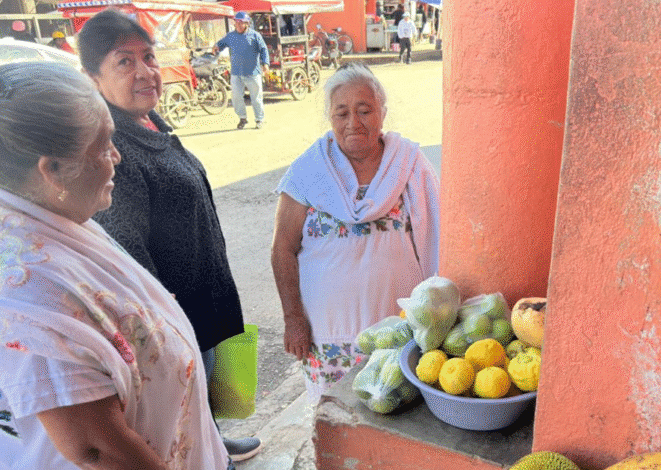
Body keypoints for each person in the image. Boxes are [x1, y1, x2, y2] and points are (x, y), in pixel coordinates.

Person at [0, 61, 233, 469]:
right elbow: (97, 450)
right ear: (51, 170)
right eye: (104, 144)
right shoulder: (28, 290)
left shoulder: (58, 222)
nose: (117, 156)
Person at [77, 9, 261, 462]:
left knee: (207, 388)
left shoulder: (150, 121)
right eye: (124, 62)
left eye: (149, 57)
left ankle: (214, 439)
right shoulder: (112, 145)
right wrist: (165, 323)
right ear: (92, 77)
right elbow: (128, 249)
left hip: (199, 300)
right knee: (183, 408)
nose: (145, 72)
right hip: (172, 314)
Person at [271, 63, 440, 402]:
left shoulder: (408, 163)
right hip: (326, 330)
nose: (353, 123)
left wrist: (436, 316)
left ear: (383, 112)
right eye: (342, 112)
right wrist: (293, 319)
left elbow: (438, 236)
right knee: (336, 413)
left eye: (365, 110)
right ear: (330, 117)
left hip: (397, 321)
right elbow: (282, 249)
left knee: (395, 404)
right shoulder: (308, 170)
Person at [213, 11, 270, 130]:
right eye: (236, 22)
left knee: (256, 98)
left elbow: (264, 49)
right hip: (236, 73)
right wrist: (216, 46)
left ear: (247, 24)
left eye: (241, 23)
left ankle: (260, 119)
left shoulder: (255, 36)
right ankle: (242, 118)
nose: (238, 25)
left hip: (253, 73)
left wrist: (265, 64)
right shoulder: (231, 36)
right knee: (236, 97)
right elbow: (221, 43)